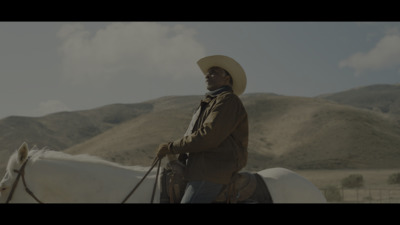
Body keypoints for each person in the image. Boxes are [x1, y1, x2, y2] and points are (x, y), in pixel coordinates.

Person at [156, 55, 249, 203]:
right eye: (208, 72)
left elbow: (208, 136)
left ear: (227, 78)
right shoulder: (208, 103)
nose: (207, 75)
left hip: (211, 171)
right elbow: (193, 136)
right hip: (198, 169)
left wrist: (172, 147)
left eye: (214, 72)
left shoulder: (227, 101)